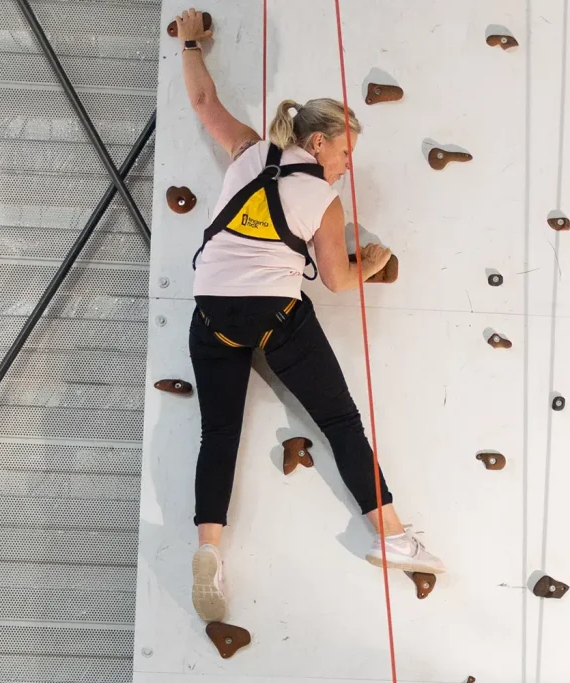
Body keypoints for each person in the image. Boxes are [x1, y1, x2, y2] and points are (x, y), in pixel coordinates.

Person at [173, 8, 445, 623]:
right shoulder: (323, 200)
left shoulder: (248, 150)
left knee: (218, 434)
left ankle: (207, 551)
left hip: (212, 312)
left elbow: (200, 100)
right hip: (274, 315)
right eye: (345, 150)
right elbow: (338, 281)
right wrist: (371, 262)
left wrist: (191, 41)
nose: (348, 163)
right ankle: (393, 534)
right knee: (341, 423)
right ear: (317, 142)